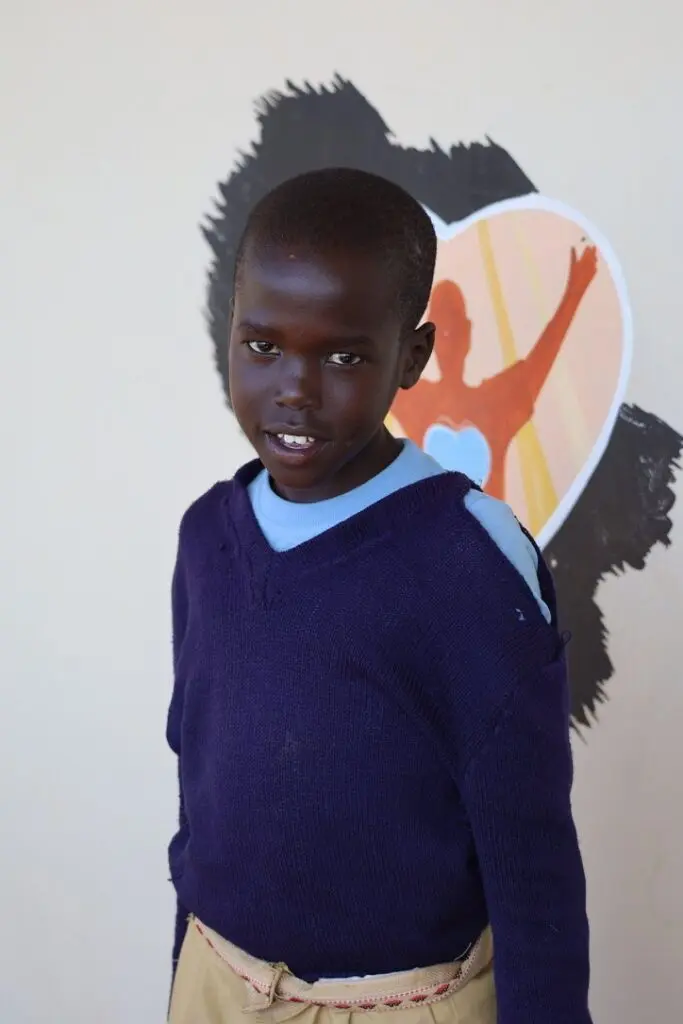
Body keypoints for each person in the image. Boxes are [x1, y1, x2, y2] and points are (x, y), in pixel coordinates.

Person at [166, 167, 592, 1023]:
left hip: (401, 1002)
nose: (294, 388)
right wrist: (189, 966)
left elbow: (531, 858)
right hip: (216, 978)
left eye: (343, 356)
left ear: (411, 356)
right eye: (262, 346)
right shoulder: (208, 536)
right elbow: (199, 785)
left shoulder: (468, 563)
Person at [392, 246, 598, 500]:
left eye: (452, 324)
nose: (448, 336)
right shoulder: (413, 396)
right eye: (440, 329)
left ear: (468, 331)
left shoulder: (496, 401)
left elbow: (541, 360)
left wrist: (575, 293)